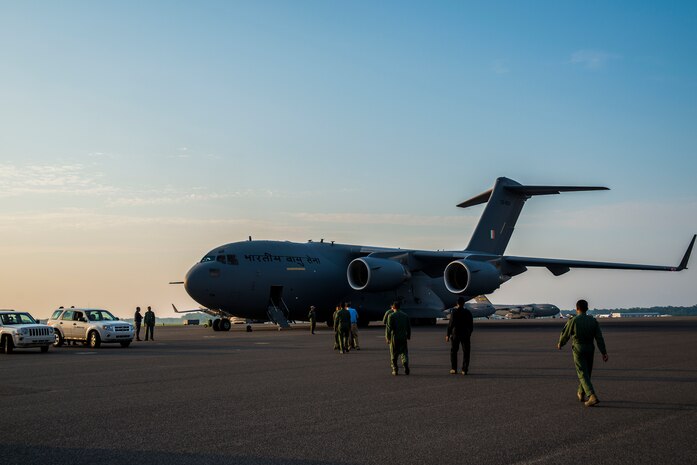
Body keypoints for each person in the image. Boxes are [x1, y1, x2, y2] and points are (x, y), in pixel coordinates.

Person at [557, 299, 608, 407]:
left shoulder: (573, 320)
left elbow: (565, 333)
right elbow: (599, 338)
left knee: (582, 372)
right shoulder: (593, 321)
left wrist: (560, 343)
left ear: (577, 309)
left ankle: (591, 395)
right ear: (587, 309)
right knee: (587, 372)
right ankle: (581, 392)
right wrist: (604, 352)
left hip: (578, 348)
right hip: (590, 347)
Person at [446, 296, 473, 375]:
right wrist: (469, 334)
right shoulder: (468, 312)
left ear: (456, 303)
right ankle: (464, 369)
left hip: (455, 334)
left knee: (454, 351)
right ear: (464, 303)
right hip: (465, 334)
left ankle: (454, 369)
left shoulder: (454, 312)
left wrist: (448, 334)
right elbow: (471, 325)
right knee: (466, 352)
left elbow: (450, 324)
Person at [386, 301, 411, 375]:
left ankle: (395, 369)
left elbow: (389, 328)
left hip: (394, 337)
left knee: (393, 353)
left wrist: (388, 338)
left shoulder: (391, 316)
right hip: (403, 336)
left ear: (393, 307)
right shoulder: (405, 315)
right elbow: (408, 327)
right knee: (404, 352)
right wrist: (408, 335)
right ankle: (405, 363)